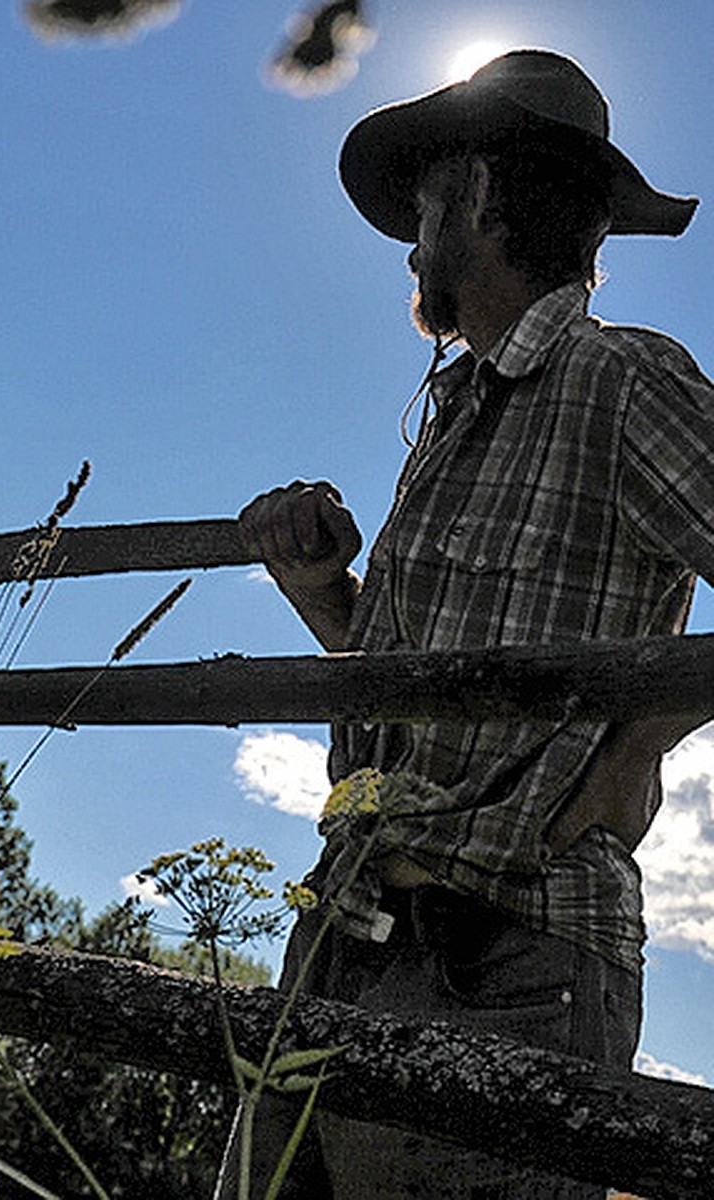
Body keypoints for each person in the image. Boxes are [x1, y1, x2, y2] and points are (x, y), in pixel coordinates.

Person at [218, 49, 713, 1198]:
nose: (414, 241)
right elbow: (415, 685)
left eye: (430, 205)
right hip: (346, 932)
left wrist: (643, 741)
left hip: (513, 964)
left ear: (482, 198)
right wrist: (316, 589)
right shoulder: (457, 411)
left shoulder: (622, 383)